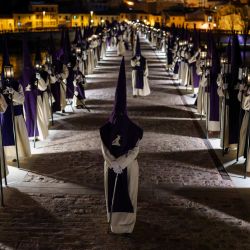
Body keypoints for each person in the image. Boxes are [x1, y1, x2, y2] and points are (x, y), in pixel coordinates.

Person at [100, 57, 143, 234]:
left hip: (128, 167)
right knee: (111, 193)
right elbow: (104, 148)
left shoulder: (133, 129)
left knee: (129, 195)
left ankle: (126, 225)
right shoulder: (106, 128)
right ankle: (114, 223)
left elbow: (135, 150)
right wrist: (113, 163)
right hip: (111, 166)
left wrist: (121, 163)